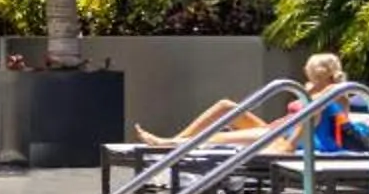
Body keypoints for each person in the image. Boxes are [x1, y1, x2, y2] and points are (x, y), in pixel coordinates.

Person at [137, 54, 347, 148]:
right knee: (225, 107)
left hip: (289, 138)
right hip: (277, 129)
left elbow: (337, 119)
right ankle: (179, 138)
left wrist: (312, 94)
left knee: (217, 137)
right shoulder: (309, 89)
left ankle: (169, 144)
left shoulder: (337, 91)